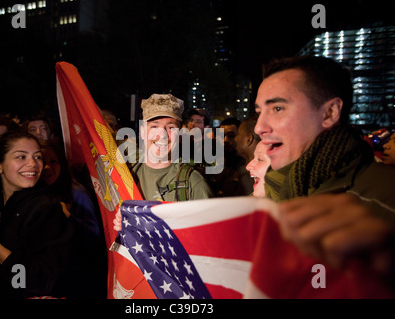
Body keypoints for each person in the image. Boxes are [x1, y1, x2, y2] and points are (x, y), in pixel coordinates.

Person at [254, 56, 395, 288]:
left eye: (277, 108)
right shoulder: (268, 198)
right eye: (259, 111)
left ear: (330, 113)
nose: (260, 127)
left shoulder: (384, 205)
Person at [0, 132, 73, 298]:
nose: (32, 164)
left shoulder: (47, 209)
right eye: (21, 157)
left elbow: (40, 281)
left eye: (37, 157)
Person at [114, 94, 213, 230]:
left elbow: (209, 239)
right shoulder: (125, 174)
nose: (162, 135)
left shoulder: (193, 183)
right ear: (143, 132)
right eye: (154, 126)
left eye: (171, 127)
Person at [40, 143, 107, 298]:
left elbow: (94, 239)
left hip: (76, 278)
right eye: (41, 161)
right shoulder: (32, 192)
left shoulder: (77, 193)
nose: (47, 167)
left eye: (53, 162)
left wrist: (69, 217)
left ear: (62, 164)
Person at [212, 118, 254, 197]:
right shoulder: (218, 165)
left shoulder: (248, 170)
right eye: (221, 136)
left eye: (231, 136)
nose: (225, 140)